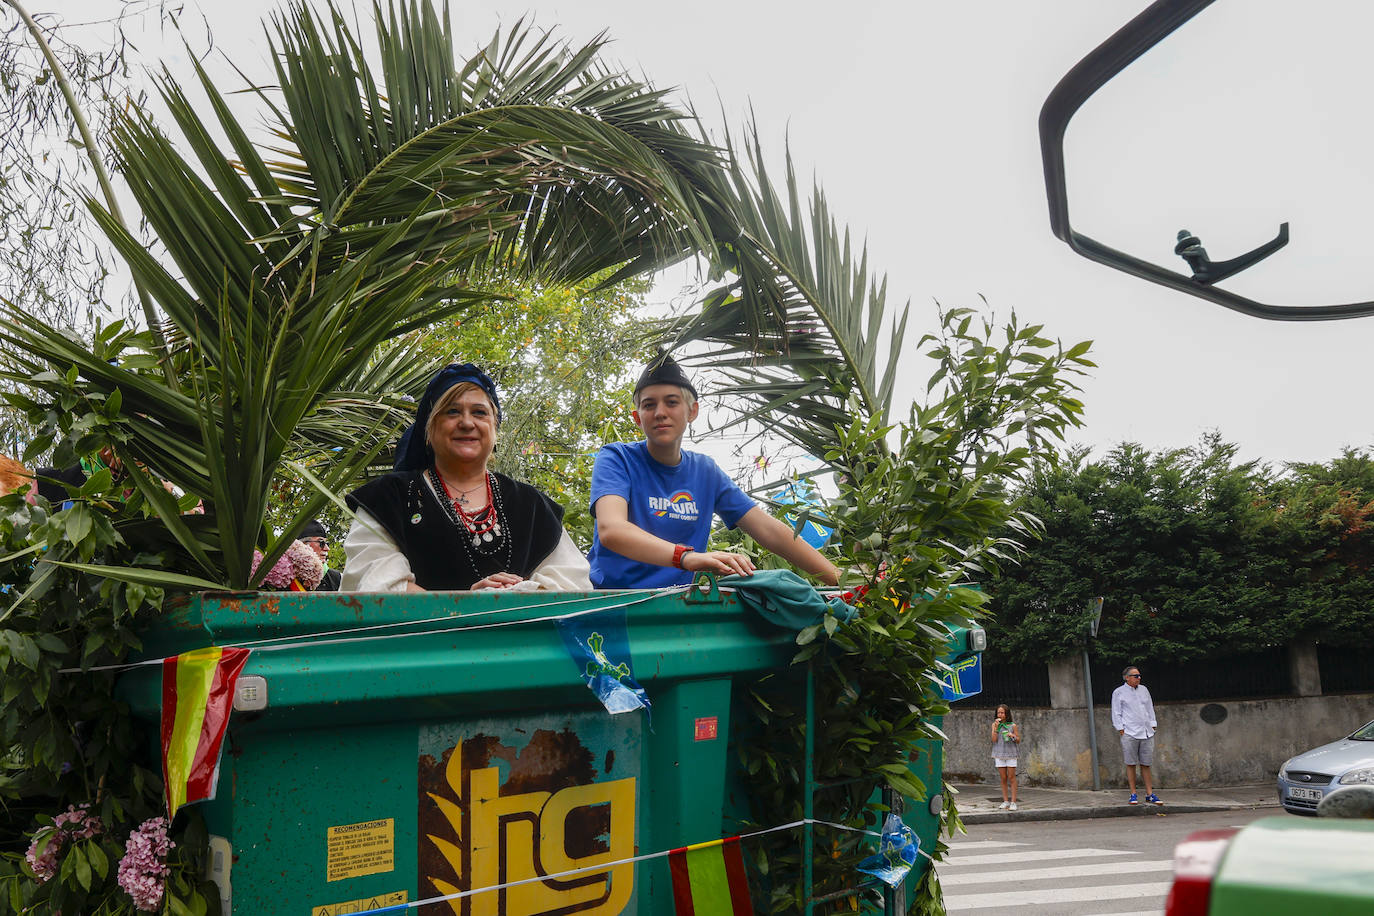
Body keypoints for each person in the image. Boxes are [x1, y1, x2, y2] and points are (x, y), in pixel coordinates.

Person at [586, 354, 840, 589]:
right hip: (611, 603)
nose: (660, 413)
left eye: (671, 402)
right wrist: (687, 557)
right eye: (649, 405)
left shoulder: (705, 471)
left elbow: (769, 531)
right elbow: (612, 530)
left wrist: (840, 579)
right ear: (637, 418)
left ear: (692, 411)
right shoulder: (617, 458)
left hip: (674, 605)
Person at [341, 363, 591, 592]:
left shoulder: (531, 504)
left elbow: (571, 583)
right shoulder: (390, 498)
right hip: (421, 638)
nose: (467, 422)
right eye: (452, 412)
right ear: (429, 428)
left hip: (520, 638)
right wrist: (465, 607)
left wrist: (516, 595)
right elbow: (374, 581)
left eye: (480, 413)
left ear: (495, 429)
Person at [1111, 664, 1162, 805]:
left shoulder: (1144, 690)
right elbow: (1116, 712)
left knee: (1146, 763)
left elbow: (1149, 707)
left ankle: (1149, 793)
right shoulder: (1119, 692)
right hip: (1130, 733)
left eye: (1139, 676)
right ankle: (1133, 794)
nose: (1138, 678)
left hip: (1146, 732)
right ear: (1127, 678)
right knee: (1131, 763)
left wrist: (1153, 724)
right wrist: (1121, 730)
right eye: (1135, 676)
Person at [990, 703, 1020, 811]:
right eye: (998, 712)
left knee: (1012, 777)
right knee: (1003, 778)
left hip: (1011, 754)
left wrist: (1013, 736)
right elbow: (993, 740)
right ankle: (1005, 801)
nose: (1000, 714)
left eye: (1002, 712)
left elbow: (1018, 740)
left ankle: (1013, 802)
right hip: (999, 753)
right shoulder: (994, 725)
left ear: (1006, 714)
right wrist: (997, 728)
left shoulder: (1013, 725)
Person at [299, 519, 342, 591]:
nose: (327, 548)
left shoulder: (337, 578)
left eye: (326, 543)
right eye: (321, 543)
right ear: (302, 545)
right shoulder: (284, 577)